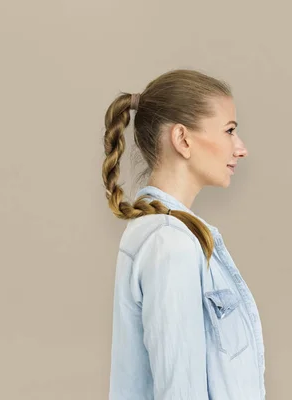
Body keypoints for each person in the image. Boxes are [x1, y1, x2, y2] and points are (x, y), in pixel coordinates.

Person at [102, 69, 265, 399]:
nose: (241, 148)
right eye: (229, 131)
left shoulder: (169, 233)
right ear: (183, 139)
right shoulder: (169, 243)